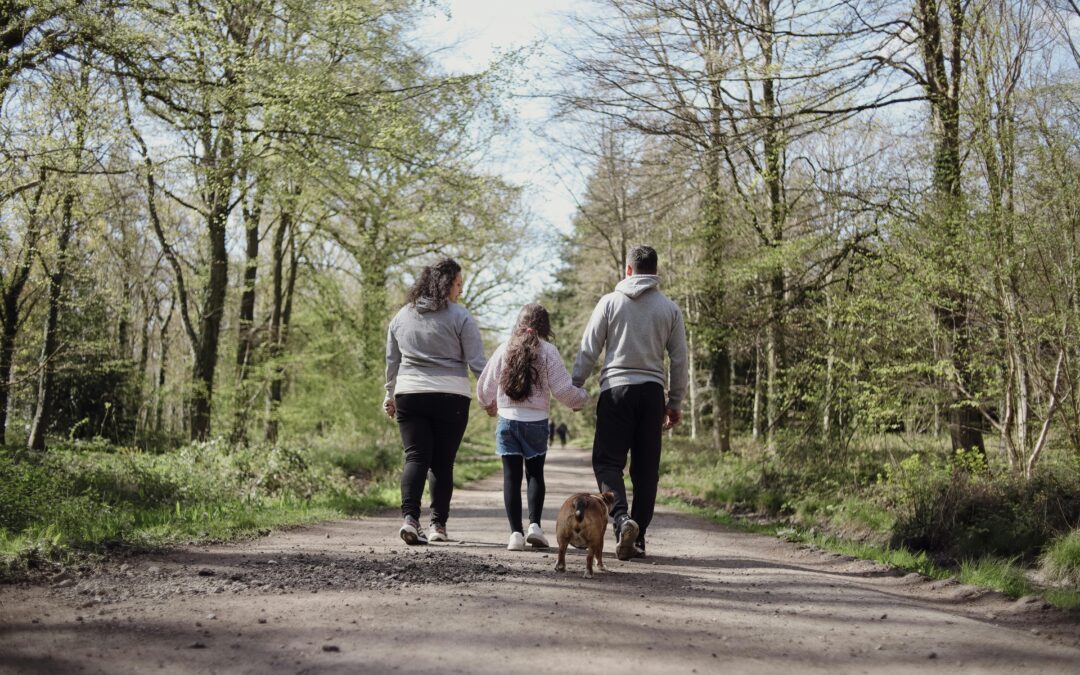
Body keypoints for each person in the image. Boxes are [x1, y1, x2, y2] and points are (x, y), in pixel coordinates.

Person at [572, 245, 688, 560]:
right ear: (655, 271)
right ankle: (638, 538)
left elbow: (589, 347)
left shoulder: (609, 302)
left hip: (616, 392)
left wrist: (575, 385)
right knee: (646, 470)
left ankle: (622, 519)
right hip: (652, 393)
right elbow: (679, 360)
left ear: (628, 270)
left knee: (608, 462)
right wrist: (674, 401)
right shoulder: (669, 309)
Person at [384, 258, 486, 545]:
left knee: (415, 457)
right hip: (450, 396)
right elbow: (478, 363)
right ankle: (438, 526)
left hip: (409, 393)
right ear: (446, 284)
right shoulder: (460, 316)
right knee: (442, 463)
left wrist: (389, 394)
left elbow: (392, 361)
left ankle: (410, 519)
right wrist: (490, 396)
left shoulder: (401, 316)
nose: (460, 291)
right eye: (458, 284)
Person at [477, 303, 588, 551]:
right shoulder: (548, 350)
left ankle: (515, 534)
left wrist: (489, 404)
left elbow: (485, 385)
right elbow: (562, 388)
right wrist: (580, 399)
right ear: (544, 326)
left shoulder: (504, 348)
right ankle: (534, 527)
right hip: (536, 422)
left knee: (511, 477)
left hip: (507, 420)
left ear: (518, 323)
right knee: (535, 474)